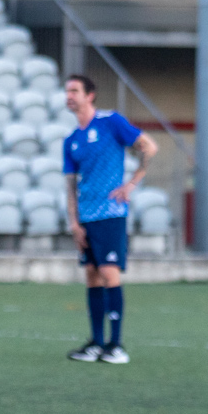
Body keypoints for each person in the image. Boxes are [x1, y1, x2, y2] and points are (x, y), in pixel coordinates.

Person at [62, 74, 159, 365]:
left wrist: (132, 183)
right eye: (67, 91)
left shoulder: (110, 122)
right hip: (86, 217)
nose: (69, 95)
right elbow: (70, 184)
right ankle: (96, 342)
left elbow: (149, 147)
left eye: (75, 90)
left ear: (90, 95)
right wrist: (74, 222)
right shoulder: (71, 140)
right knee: (91, 275)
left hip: (110, 214)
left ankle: (116, 345)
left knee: (109, 274)